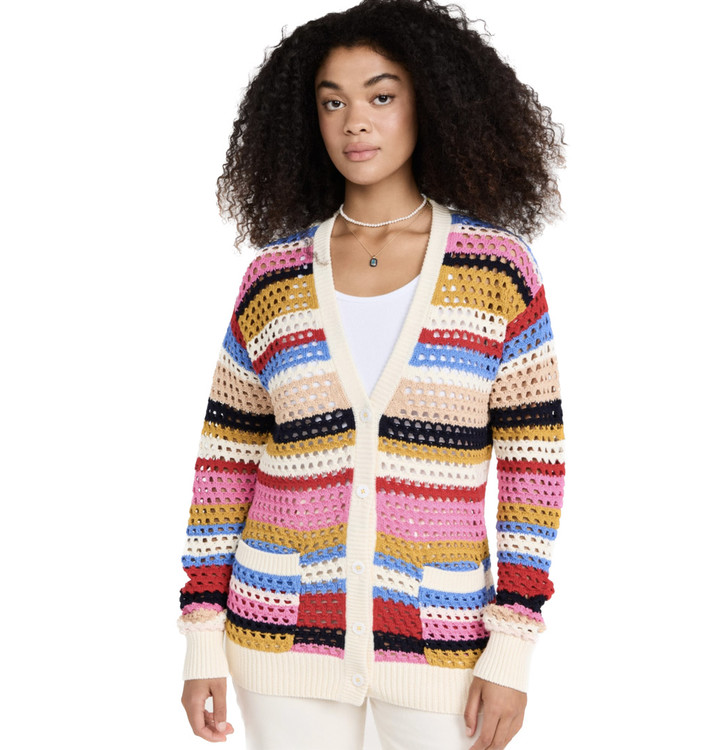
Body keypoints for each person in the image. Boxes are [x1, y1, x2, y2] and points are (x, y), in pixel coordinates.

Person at [178, 1, 565, 748]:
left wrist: (512, 647)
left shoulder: (497, 271)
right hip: (277, 630)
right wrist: (201, 638)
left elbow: (532, 471)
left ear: (431, 104)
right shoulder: (274, 278)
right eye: (333, 103)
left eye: (381, 97)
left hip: (442, 634)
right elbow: (224, 464)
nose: (355, 122)